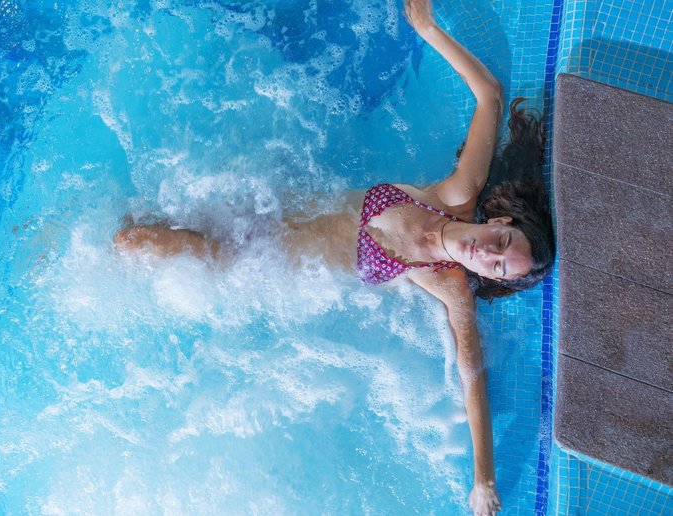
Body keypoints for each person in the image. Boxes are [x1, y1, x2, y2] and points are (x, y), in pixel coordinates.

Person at [114, 1, 554, 514]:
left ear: (484, 276)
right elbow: (491, 97)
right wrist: (429, 30)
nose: (486, 255)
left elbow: (472, 379)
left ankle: (82, 253)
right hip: (267, 201)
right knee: (140, 215)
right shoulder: (455, 193)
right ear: (498, 223)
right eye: (501, 245)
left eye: (496, 268)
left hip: (255, 258)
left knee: (132, 244)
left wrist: (484, 481)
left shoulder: (450, 285)